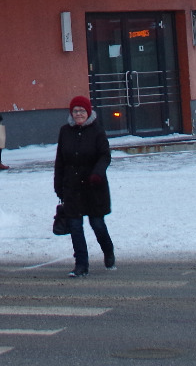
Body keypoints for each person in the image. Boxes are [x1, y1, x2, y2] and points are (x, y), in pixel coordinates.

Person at [54, 94, 114, 277]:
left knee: (97, 224)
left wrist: (97, 173)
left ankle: (108, 250)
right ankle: (81, 264)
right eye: (75, 111)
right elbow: (60, 160)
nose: (78, 114)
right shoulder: (65, 131)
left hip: (93, 186)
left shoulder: (97, 131)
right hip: (72, 187)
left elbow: (105, 155)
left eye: (82, 111)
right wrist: (58, 185)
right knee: (75, 226)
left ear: (88, 112)